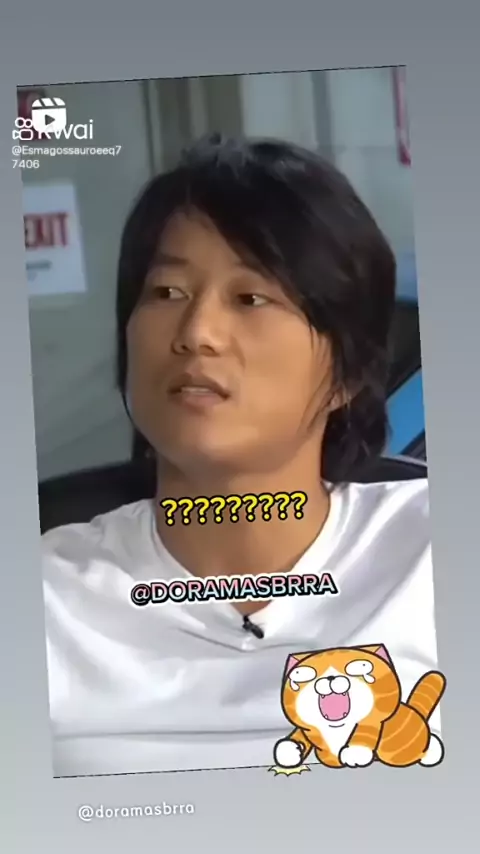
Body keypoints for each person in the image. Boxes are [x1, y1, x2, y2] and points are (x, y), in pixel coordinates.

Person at [42, 134, 438, 778]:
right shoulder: (44, 597)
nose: (197, 333)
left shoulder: (432, 553)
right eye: (167, 292)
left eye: (251, 298)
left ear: (346, 372)